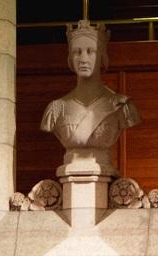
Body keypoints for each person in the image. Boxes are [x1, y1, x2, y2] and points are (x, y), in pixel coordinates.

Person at [40, 19, 140, 172]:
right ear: (70, 58)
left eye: (90, 51)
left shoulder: (122, 106)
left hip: (102, 170)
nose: (83, 59)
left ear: (102, 56)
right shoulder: (56, 109)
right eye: (77, 52)